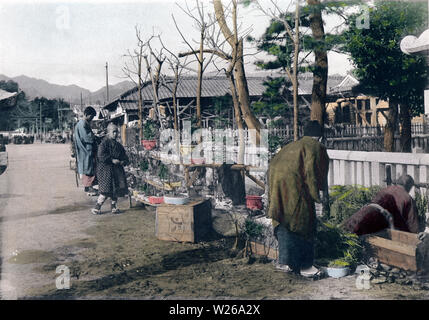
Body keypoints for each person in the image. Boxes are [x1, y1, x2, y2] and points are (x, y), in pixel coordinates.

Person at [267, 120, 330, 277]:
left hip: (276, 187)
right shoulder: (315, 147)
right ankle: (305, 267)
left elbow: (272, 166)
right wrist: (318, 198)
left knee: (283, 219)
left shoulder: (291, 146)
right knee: (304, 223)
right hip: (294, 188)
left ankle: (285, 262)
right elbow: (312, 174)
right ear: (320, 138)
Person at [343, 174, 421, 236]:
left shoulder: (385, 189)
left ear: (397, 182)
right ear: (409, 187)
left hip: (363, 215)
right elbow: (412, 224)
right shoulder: (407, 198)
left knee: (349, 234)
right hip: (379, 224)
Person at [91, 123, 129, 215]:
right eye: (113, 132)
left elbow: (124, 157)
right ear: (108, 133)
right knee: (105, 190)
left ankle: (114, 207)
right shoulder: (103, 144)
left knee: (115, 190)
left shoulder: (119, 145)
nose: (116, 134)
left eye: (117, 132)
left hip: (116, 171)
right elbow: (101, 156)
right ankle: (97, 207)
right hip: (105, 170)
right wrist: (111, 160)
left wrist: (124, 161)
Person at [74, 106, 98, 196]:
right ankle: (88, 187)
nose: (92, 119)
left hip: (86, 149)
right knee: (87, 168)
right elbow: (87, 137)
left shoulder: (83, 123)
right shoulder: (82, 124)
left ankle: (88, 187)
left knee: (88, 167)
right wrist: (95, 137)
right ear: (86, 114)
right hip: (85, 149)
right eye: (91, 117)